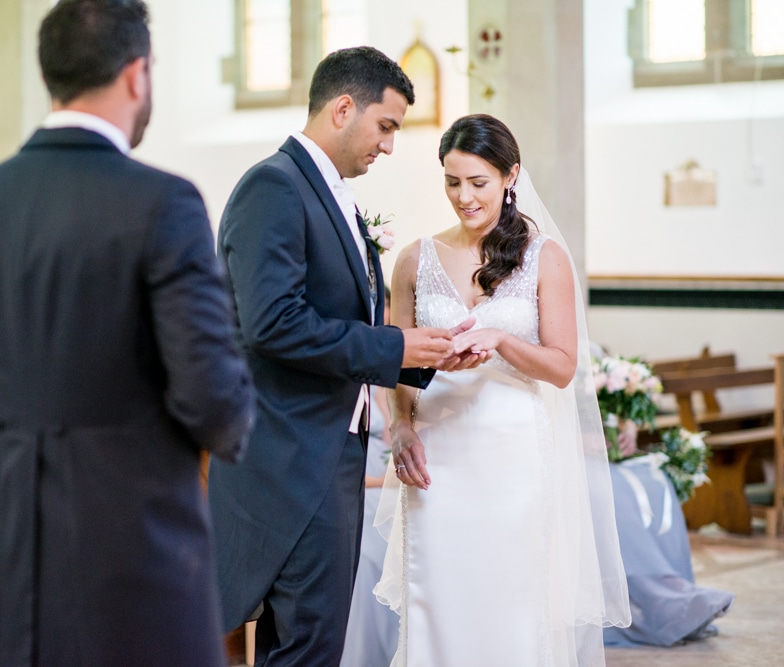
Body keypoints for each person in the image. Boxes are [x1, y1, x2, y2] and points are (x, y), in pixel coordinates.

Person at [0, 1, 255, 665]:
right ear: (137, 74)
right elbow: (213, 396)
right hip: (136, 529)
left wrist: (36, 420)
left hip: (13, 526)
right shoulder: (163, 202)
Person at [209, 46, 481, 666]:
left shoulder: (327, 193)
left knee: (310, 642)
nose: (389, 147)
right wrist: (394, 345)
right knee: (305, 648)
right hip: (290, 461)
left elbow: (345, 320)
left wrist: (424, 358)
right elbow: (272, 324)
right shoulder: (273, 187)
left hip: (324, 452)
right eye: (385, 126)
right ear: (342, 108)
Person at [376, 114, 630, 665]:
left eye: (478, 182)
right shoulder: (414, 260)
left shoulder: (545, 257)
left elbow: (562, 368)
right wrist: (399, 426)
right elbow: (396, 362)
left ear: (511, 175)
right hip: (437, 451)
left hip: (514, 453)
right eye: (452, 181)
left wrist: (500, 340)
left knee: (513, 600)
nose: (463, 197)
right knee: (437, 593)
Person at [605, 420, 734, 647]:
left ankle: (673, 584)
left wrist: (628, 431)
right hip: (570, 455)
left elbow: (622, 410)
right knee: (614, 490)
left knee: (655, 480)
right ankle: (655, 599)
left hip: (607, 454)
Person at [341, 290, 398, 667]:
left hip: (396, 486)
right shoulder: (351, 374)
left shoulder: (394, 375)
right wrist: (382, 483)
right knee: (366, 551)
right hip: (362, 486)